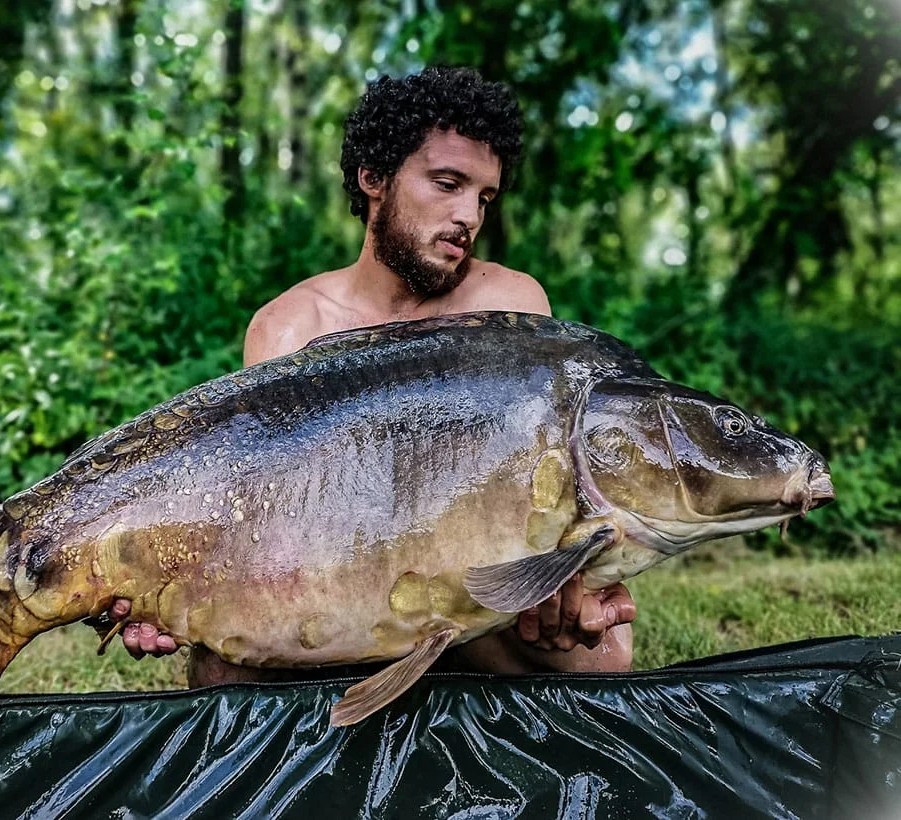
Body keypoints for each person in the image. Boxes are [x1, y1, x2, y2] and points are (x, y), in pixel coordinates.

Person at [107, 66, 636, 684]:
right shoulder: (290, 328)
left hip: (472, 585)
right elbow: (269, 517)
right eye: (447, 184)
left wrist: (554, 579)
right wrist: (171, 584)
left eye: (484, 198)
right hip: (338, 582)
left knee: (605, 658)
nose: (468, 215)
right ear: (374, 177)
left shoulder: (508, 306)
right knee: (223, 666)